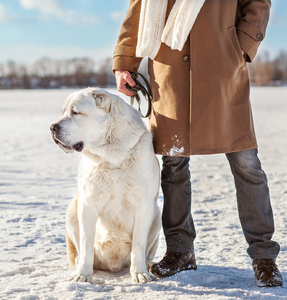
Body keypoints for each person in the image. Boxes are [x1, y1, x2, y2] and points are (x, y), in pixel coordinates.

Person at [113, 0, 283, 287]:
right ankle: (180, 252)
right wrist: (124, 63)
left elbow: (258, 3)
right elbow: (138, 10)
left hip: (221, 69)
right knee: (174, 165)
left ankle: (264, 257)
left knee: (246, 163)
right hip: (169, 73)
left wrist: (239, 47)